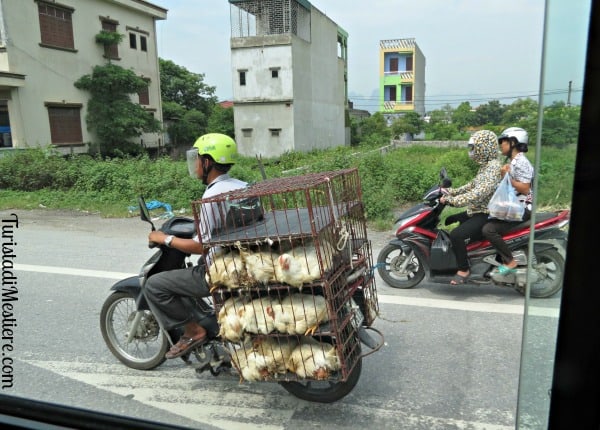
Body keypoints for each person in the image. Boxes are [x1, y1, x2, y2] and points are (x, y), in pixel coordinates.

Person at [144, 133, 247, 359]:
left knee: (155, 285)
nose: (195, 165)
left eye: (197, 159)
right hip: (240, 259)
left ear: (207, 162)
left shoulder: (211, 196)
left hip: (219, 271)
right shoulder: (242, 187)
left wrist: (165, 239)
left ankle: (193, 331)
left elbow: (201, 246)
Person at [439, 130, 502, 285]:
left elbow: (478, 193)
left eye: (474, 148)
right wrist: (450, 192)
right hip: (477, 210)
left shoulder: (493, 168)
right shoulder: (486, 166)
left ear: (485, 148)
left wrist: (452, 201)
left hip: (486, 213)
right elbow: (472, 185)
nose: (471, 152)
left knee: (456, 235)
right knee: (450, 219)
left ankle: (464, 269)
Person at [482, 127, 534, 274]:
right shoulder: (514, 161)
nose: (501, 145)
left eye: (503, 141)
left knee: (488, 229)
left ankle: (510, 261)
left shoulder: (521, 161)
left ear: (513, 142)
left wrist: (507, 178)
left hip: (522, 209)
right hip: (514, 206)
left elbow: (525, 188)